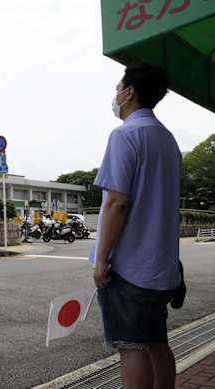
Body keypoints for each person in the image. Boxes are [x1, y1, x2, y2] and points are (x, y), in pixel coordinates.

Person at [89, 61, 181, 389]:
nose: (115, 96)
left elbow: (117, 202)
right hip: (163, 270)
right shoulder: (168, 141)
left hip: (128, 269)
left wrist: (101, 260)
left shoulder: (125, 135)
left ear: (130, 92)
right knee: (158, 343)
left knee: (131, 348)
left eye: (118, 89)